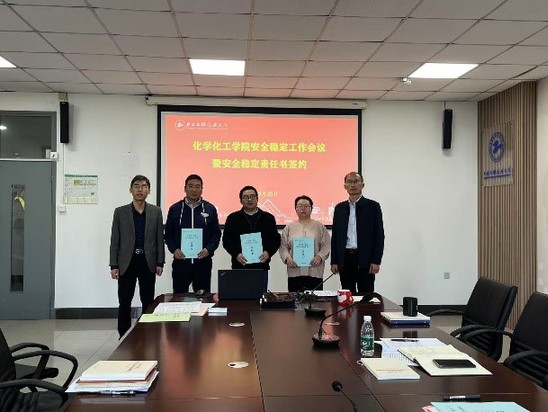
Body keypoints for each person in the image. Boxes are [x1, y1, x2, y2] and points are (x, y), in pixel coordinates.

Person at [110, 175, 165, 338]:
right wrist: (114, 265)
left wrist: (160, 261)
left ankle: (146, 333)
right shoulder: (120, 212)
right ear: (130, 190)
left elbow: (159, 238)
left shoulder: (156, 211)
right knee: (124, 301)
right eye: (136, 186)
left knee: (148, 301)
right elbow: (115, 239)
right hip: (127, 262)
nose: (140, 189)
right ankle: (123, 335)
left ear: (149, 190)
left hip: (148, 262)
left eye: (143, 186)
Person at [165, 174, 221, 293]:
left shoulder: (210, 208)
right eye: (190, 186)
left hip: (203, 263)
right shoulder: (175, 209)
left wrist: (208, 249)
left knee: (203, 298)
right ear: (185, 188)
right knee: (179, 297)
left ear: (202, 189)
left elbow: (216, 234)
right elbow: (168, 234)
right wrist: (174, 249)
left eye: (197, 186)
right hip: (181, 262)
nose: (194, 190)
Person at [331, 172, 384, 294]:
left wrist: (376, 261)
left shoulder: (373, 206)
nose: (353, 185)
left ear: (362, 185)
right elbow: (336, 237)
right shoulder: (339, 208)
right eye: (350, 182)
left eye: (356, 181)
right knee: (347, 295)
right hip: (345, 258)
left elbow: (379, 235)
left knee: (366, 294)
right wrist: (334, 261)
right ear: (345, 186)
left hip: (365, 258)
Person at [222, 185, 281, 291]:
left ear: (257, 199)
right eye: (245, 197)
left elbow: (275, 239)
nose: (249, 199)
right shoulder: (233, 218)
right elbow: (227, 240)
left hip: (261, 266)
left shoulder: (268, 218)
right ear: (241, 201)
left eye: (252, 196)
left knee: (260, 298)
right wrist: (236, 254)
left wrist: (268, 252)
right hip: (240, 265)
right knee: (240, 297)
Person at [279, 195, 330, 292]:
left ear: (311, 208)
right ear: (296, 209)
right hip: (295, 270)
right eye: (300, 206)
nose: (303, 209)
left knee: (315, 299)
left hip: (314, 270)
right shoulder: (289, 227)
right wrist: (287, 258)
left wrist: (319, 256)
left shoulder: (319, 226)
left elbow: (326, 245)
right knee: (295, 299)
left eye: (306, 206)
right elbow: (283, 246)